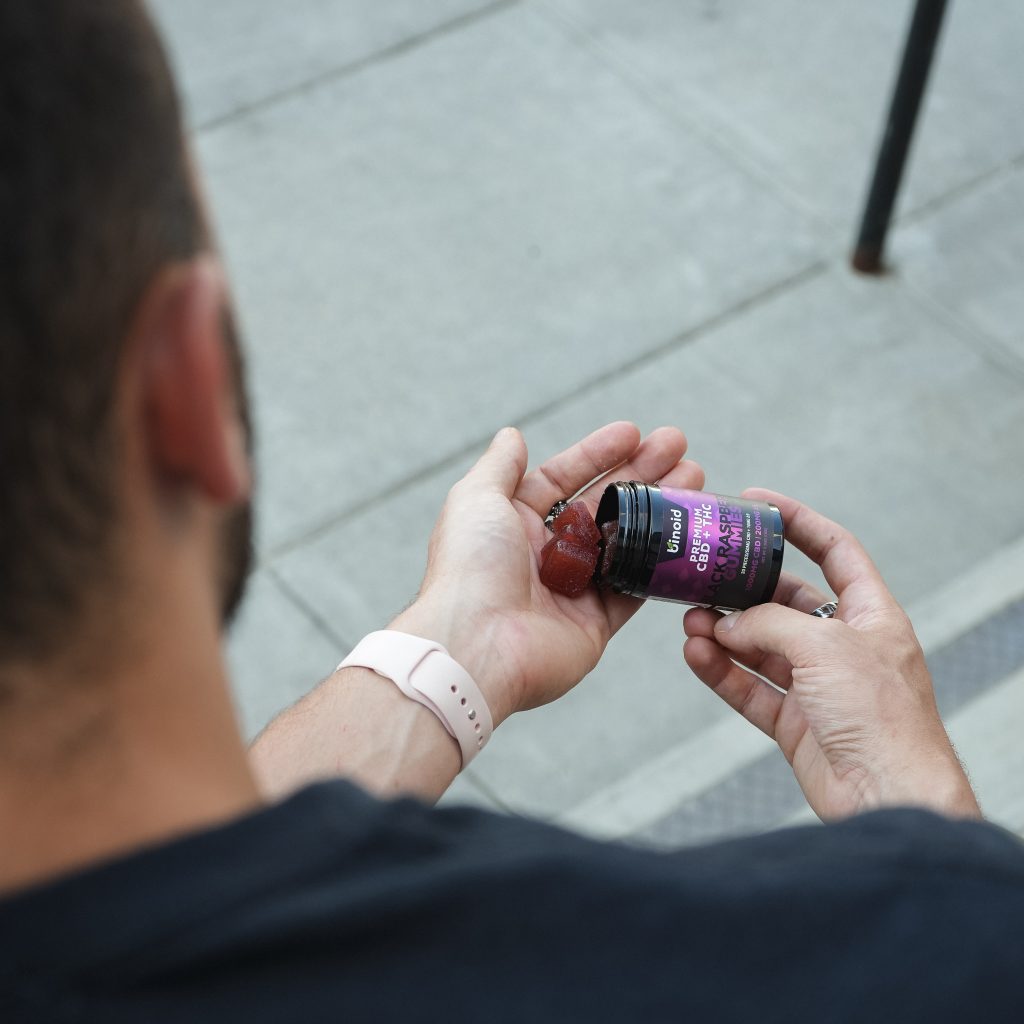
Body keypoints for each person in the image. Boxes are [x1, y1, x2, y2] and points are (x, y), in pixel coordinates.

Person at [0, 3, 1020, 1021]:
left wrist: (458, 646)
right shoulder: (708, 960)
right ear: (190, 385)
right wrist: (914, 802)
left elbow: (182, 897)